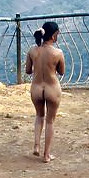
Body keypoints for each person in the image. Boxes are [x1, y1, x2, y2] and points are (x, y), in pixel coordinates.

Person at [25, 21, 65, 163]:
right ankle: (46, 155)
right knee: (50, 121)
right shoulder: (58, 53)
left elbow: (28, 71)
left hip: (36, 88)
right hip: (52, 88)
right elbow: (61, 71)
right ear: (53, 36)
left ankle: (36, 145)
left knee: (39, 116)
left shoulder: (32, 51)